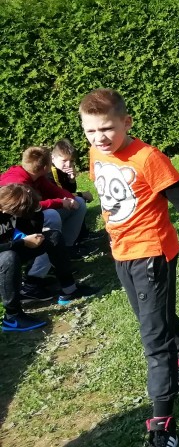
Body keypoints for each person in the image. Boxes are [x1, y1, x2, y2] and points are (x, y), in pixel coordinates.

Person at [79, 88, 179, 447]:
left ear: (126, 123)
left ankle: (162, 425)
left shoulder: (148, 157)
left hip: (152, 255)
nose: (99, 138)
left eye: (106, 129)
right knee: (154, 319)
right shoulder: (95, 154)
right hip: (122, 255)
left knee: (154, 341)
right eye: (90, 131)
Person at [0, 184, 98, 330]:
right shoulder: (8, 207)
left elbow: (32, 229)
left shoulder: (12, 207)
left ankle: (69, 290)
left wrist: (36, 208)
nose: (18, 215)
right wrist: (22, 242)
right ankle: (12, 316)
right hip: (6, 255)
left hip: (12, 248)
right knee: (9, 257)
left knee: (53, 237)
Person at [1, 146, 89, 282]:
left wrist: (70, 199)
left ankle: (65, 252)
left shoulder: (36, 175)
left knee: (79, 203)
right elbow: (25, 207)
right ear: (45, 167)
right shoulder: (16, 181)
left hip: (29, 216)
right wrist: (59, 203)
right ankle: (35, 277)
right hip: (16, 224)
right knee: (51, 216)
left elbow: (53, 190)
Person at [50, 138, 95, 247]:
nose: (68, 164)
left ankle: (81, 235)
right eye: (64, 161)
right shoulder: (51, 171)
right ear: (53, 158)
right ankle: (71, 243)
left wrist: (71, 179)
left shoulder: (61, 169)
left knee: (77, 200)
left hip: (57, 203)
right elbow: (60, 194)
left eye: (71, 161)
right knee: (78, 201)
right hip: (49, 209)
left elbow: (69, 191)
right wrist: (82, 194)